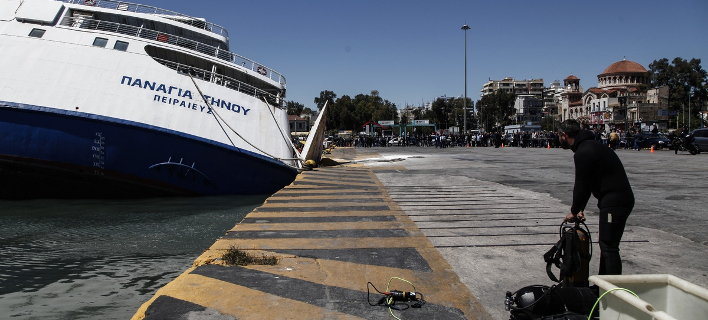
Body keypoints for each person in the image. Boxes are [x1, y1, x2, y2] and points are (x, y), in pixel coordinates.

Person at [558, 119, 635, 275]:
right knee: (606, 245)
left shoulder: (584, 151)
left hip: (615, 201)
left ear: (564, 135)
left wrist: (574, 211)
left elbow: (581, 184)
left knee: (609, 246)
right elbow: (586, 185)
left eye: (559, 136)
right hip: (616, 200)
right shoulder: (589, 146)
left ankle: (612, 291)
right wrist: (580, 209)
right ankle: (603, 285)